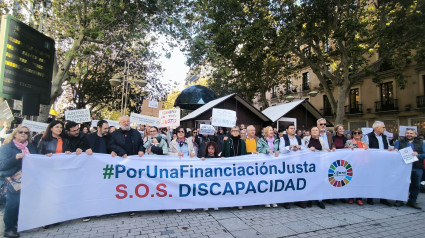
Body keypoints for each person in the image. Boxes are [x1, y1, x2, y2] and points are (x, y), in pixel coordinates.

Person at [0, 126, 37, 238]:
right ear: (15, 134)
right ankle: (9, 229)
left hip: (29, 178)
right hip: (13, 179)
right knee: (13, 204)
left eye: (26, 133)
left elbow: (36, 158)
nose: (23, 134)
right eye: (20, 132)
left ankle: (18, 223)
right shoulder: (7, 148)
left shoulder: (30, 146)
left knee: (24, 203)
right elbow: (2, 165)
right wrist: (15, 158)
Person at [364, 121, 394, 206]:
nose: (385, 129)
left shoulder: (385, 137)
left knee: (384, 179)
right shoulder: (368, 136)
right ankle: (370, 198)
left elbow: (388, 146)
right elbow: (365, 148)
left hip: (383, 162)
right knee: (372, 180)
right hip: (372, 162)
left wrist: (391, 149)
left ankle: (383, 198)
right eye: (383, 127)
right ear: (376, 128)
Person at [394, 128, 425, 209]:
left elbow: (424, 154)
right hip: (403, 167)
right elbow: (395, 151)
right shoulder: (399, 142)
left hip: (417, 166)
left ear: (415, 135)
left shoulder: (421, 143)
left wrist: (418, 154)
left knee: (416, 185)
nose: (409, 134)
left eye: (411, 133)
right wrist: (395, 150)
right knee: (401, 183)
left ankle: (412, 201)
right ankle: (399, 200)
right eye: (407, 133)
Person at [303, 127, 327, 209]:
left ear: (319, 132)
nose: (314, 132)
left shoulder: (322, 140)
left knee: (319, 182)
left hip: (319, 164)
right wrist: (309, 149)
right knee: (310, 181)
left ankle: (319, 200)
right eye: (313, 130)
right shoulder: (306, 139)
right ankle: (310, 199)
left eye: (316, 130)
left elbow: (324, 151)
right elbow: (302, 149)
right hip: (309, 165)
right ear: (310, 132)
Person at [257, 126, 279, 208]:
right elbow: (258, 150)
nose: (272, 131)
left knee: (274, 182)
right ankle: (266, 200)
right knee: (266, 182)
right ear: (266, 132)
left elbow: (280, 149)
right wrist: (266, 150)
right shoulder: (261, 140)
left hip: (275, 164)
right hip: (265, 165)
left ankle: (274, 200)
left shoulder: (277, 140)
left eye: (272, 130)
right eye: (270, 130)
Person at [345, 128, 368, 206]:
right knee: (351, 180)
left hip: (362, 165)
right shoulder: (349, 142)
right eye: (355, 133)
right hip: (352, 164)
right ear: (352, 135)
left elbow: (369, 153)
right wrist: (348, 148)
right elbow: (344, 151)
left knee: (360, 181)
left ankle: (359, 198)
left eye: (359, 133)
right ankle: (351, 197)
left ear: (361, 135)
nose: (357, 134)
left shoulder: (364, 143)